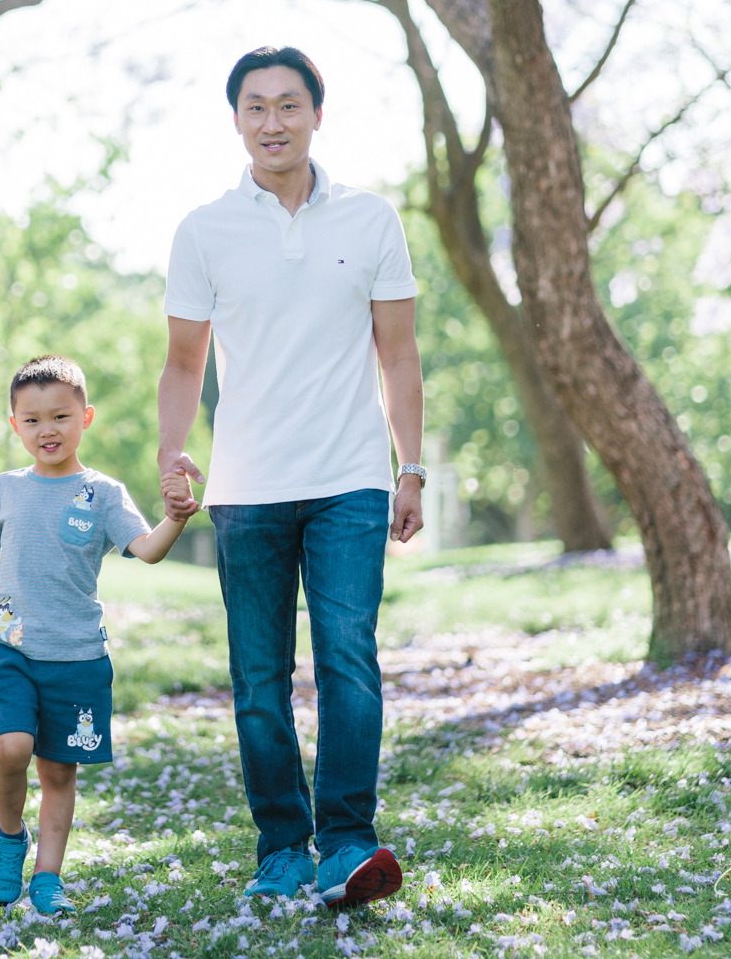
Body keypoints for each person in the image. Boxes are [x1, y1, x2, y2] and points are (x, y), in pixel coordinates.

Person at [157, 46, 426, 909]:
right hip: (246, 488)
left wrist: (410, 466)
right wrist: (172, 453)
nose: (273, 122)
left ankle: (348, 838)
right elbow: (181, 362)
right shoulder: (204, 230)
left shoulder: (371, 219)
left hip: (351, 477)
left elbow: (399, 353)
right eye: (256, 107)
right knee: (258, 679)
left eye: (289, 106)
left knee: (350, 661)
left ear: (317, 114)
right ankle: (282, 843)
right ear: (235, 119)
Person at [0, 355, 194, 913]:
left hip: (76, 657)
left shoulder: (104, 494)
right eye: (32, 420)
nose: (46, 430)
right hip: (9, 648)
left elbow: (146, 550)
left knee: (57, 771)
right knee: (13, 747)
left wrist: (176, 516)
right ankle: (10, 837)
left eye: (59, 417)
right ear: (14, 424)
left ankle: (48, 877)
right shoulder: (5, 489)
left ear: (86, 418)